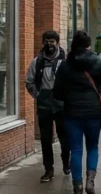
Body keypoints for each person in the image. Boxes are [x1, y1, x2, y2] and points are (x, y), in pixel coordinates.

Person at [52, 30, 101, 194]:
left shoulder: (65, 65)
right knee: (93, 147)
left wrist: (69, 96)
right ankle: (90, 182)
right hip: (94, 113)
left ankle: (77, 188)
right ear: (89, 46)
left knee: (76, 150)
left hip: (72, 113)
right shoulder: (97, 62)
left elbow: (57, 92)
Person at [25, 30, 70, 182]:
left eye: (52, 41)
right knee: (45, 139)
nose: (49, 44)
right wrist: (38, 95)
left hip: (61, 105)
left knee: (64, 137)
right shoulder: (37, 61)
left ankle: (66, 162)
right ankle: (48, 169)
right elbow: (29, 81)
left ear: (57, 43)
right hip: (44, 105)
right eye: (46, 41)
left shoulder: (65, 61)